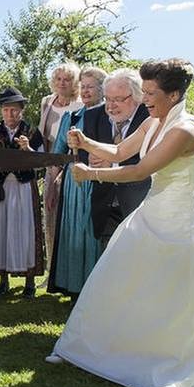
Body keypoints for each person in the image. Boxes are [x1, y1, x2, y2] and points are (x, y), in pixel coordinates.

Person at [47, 58, 194, 387]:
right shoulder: (153, 121)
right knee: (116, 276)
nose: (146, 98)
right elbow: (122, 151)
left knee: (178, 291)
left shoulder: (184, 130)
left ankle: (181, 358)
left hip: (182, 223)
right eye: (145, 91)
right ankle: (96, 349)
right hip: (150, 216)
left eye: (151, 92)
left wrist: (91, 174)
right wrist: (89, 144)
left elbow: (139, 170)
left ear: (175, 94)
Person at [0, 87, 44, 298]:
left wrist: (29, 151)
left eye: (14, 110)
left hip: (24, 186)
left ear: (22, 110)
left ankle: (30, 282)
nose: (10, 115)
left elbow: (42, 164)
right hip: (0, 188)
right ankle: (2, 280)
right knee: (0, 230)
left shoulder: (32, 133)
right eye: (6, 110)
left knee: (25, 230)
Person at [47, 67, 107, 299]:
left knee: (93, 233)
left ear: (102, 89)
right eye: (83, 86)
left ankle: (96, 291)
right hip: (73, 185)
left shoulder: (109, 115)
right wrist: (52, 187)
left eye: (91, 86)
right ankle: (74, 288)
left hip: (100, 182)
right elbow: (57, 156)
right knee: (73, 234)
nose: (86, 90)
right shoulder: (71, 117)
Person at [85, 69, 151, 252]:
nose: (110, 106)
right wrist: (90, 158)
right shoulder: (93, 117)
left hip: (140, 208)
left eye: (118, 99)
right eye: (107, 99)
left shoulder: (152, 118)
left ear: (137, 96)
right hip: (105, 208)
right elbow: (83, 155)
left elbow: (148, 163)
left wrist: (112, 163)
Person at [39, 63, 84, 266]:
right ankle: (51, 269)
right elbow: (43, 136)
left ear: (75, 82)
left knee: (69, 217)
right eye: (58, 79)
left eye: (67, 79)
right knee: (50, 216)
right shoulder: (47, 102)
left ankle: (70, 267)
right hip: (51, 164)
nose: (62, 83)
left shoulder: (81, 104)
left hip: (73, 164)